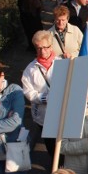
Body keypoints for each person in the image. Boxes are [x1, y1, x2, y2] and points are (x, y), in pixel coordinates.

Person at [22, 31, 60, 162]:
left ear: (51, 46)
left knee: (64, 142)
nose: (42, 51)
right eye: (39, 48)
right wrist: (44, 98)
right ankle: (55, 163)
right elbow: (28, 92)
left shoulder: (62, 63)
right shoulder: (30, 70)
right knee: (50, 143)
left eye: (45, 47)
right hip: (44, 115)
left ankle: (63, 163)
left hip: (62, 112)